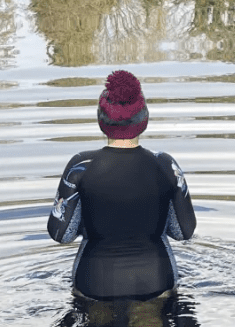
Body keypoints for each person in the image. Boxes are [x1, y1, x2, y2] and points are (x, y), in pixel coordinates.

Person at [47, 70, 197, 301]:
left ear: (101, 119)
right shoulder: (165, 165)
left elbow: (61, 234)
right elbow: (184, 231)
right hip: (156, 282)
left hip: (94, 285)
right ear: (144, 118)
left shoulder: (81, 166)